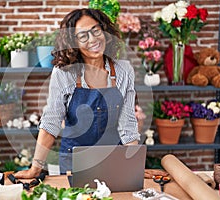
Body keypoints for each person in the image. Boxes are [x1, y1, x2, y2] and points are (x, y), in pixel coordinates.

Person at [15, 8, 140, 179]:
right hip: (74, 162)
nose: (93, 39)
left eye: (96, 30)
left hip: (114, 160)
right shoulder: (64, 73)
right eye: (83, 36)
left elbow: (128, 125)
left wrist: (133, 164)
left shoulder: (124, 70)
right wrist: (35, 168)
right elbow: (51, 121)